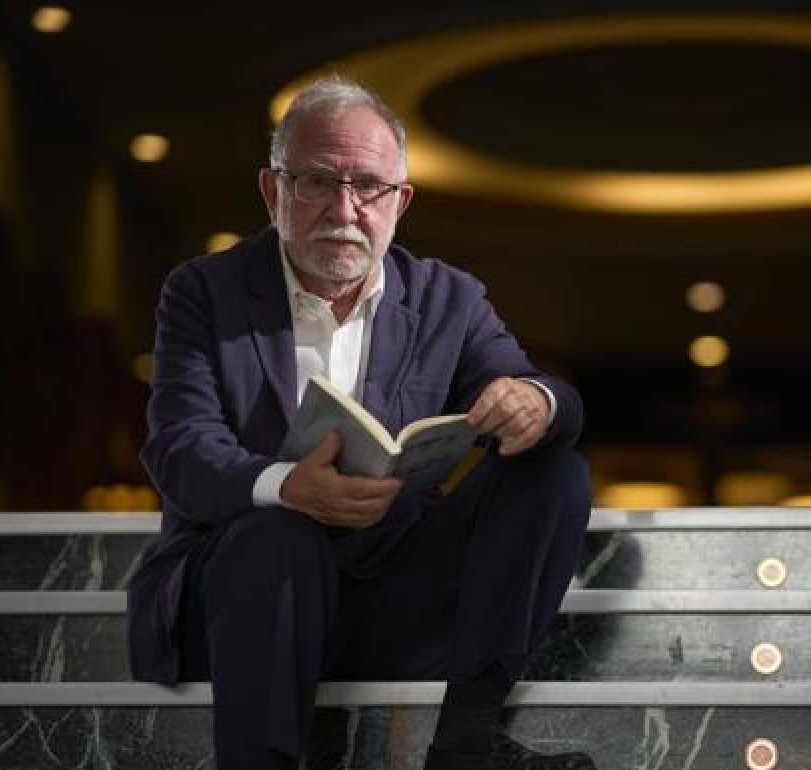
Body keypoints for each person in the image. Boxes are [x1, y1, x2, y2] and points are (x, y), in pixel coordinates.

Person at [126, 75, 596, 770]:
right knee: (275, 534)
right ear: (272, 192)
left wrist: (533, 400)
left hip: (392, 598)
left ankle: (467, 742)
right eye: (317, 181)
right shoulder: (203, 291)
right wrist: (287, 487)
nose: (345, 209)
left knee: (552, 467)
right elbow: (181, 450)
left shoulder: (448, 297)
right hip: (245, 606)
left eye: (369, 187)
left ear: (400, 202)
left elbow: (543, 389)